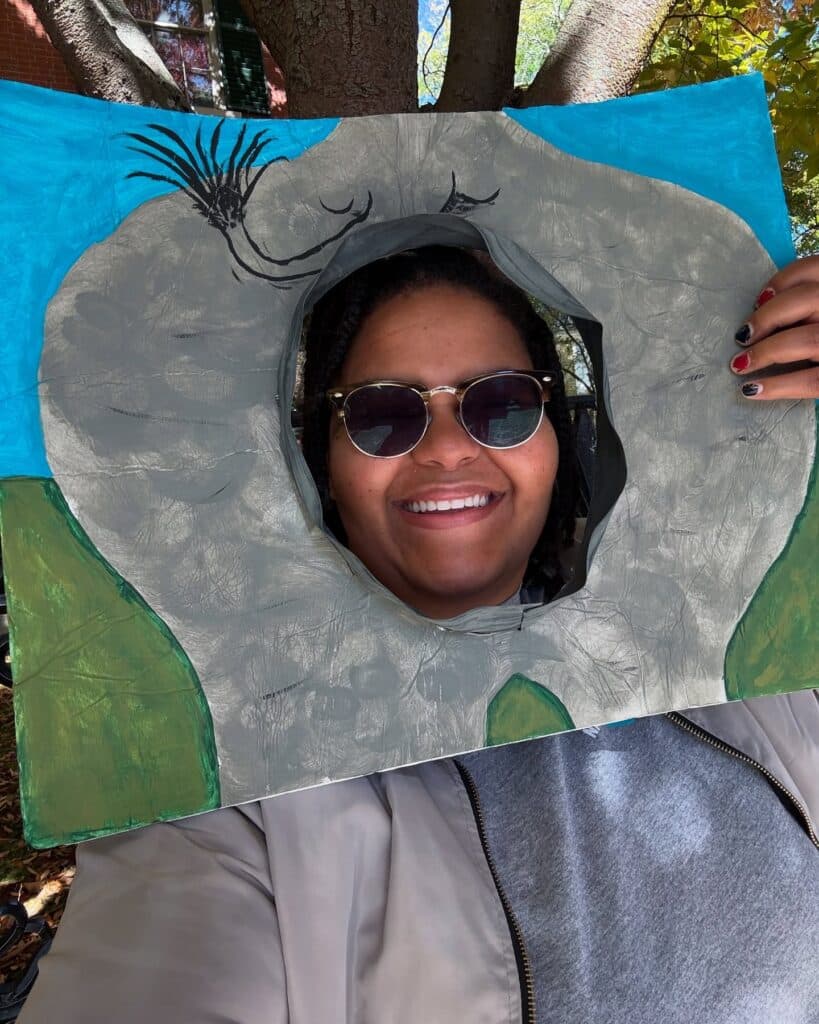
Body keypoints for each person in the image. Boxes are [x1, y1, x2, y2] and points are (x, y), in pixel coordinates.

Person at [18, 247, 819, 1024]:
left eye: (499, 402)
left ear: (556, 432)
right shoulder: (230, 797)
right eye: (381, 413)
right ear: (316, 459)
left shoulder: (748, 666)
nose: (444, 449)